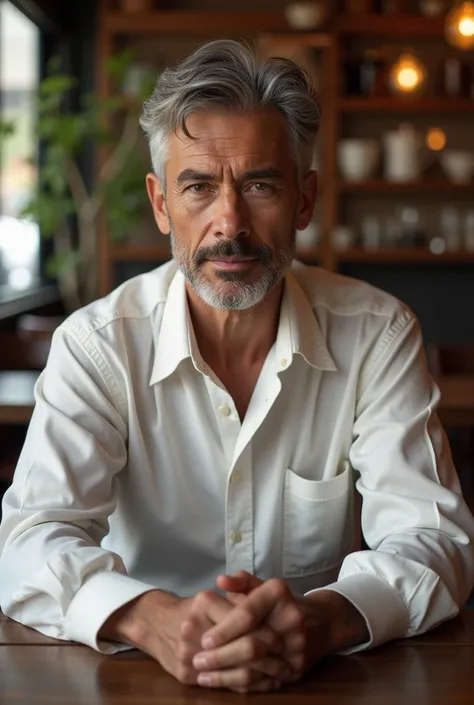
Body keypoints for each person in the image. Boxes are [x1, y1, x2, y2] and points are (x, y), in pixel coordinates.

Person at [1, 40, 473, 695]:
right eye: (198, 186)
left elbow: (434, 539)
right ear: (161, 203)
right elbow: (30, 539)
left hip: (324, 678)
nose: (230, 222)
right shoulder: (97, 345)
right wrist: (151, 618)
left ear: (304, 200)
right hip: (140, 676)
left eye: (260, 184)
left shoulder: (377, 334)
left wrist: (325, 619)